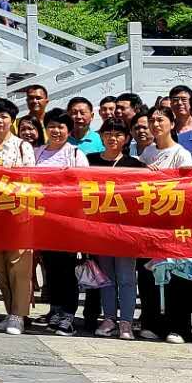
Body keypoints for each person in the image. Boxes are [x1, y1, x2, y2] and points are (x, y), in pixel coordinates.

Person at [137, 107, 192, 343]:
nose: (155, 124)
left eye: (160, 120)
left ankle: (179, 327)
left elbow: (186, 186)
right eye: (151, 120)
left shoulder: (180, 153)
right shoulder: (147, 152)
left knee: (176, 275)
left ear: (172, 124)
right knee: (149, 275)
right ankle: (152, 323)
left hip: (173, 224)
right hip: (148, 223)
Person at [0, 97, 36, 335]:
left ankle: (19, 315)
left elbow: (30, 180)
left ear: (12, 120)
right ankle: (9, 310)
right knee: (0, 267)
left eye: (4, 116)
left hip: (18, 214)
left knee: (19, 267)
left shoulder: (23, 146)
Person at [31, 108, 87, 333]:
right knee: (50, 268)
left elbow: (85, 187)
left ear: (69, 130)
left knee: (66, 268)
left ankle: (68, 314)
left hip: (67, 220)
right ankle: (54, 309)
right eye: (52, 126)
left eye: (61, 127)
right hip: (42, 220)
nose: (56, 131)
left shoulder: (75, 154)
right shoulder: (37, 152)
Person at [86, 118, 143, 339]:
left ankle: (126, 322)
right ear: (101, 136)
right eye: (108, 133)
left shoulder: (135, 165)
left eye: (118, 134)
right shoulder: (89, 161)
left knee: (127, 277)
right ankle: (109, 318)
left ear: (126, 138)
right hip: (99, 228)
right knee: (106, 276)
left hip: (126, 230)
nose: (113, 138)